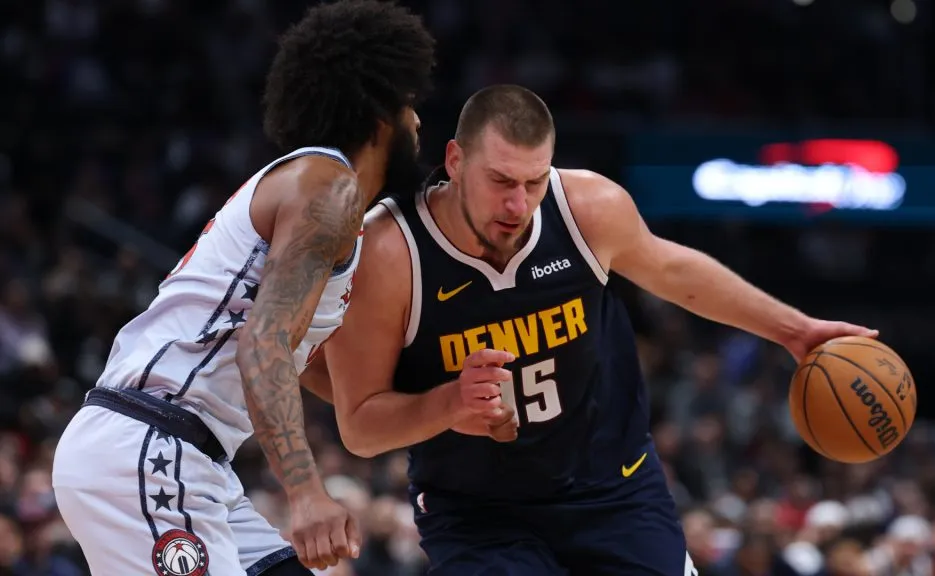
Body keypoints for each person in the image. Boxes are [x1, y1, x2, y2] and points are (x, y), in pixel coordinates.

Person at [324, 84, 878, 575]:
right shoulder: (389, 253)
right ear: (455, 160)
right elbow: (360, 426)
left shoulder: (586, 207)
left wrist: (793, 330)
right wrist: (447, 405)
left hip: (610, 485)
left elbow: (673, 271)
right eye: (500, 181)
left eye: (535, 181)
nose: (518, 205)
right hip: (478, 510)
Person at [50, 2, 435, 575]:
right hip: (151, 446)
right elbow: (264, 344)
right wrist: (305, 492)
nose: (419, 123)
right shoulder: (327, 189)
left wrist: (440, 400)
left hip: (192, 460)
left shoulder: (328, 205)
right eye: (410, 104)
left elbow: (306, 369)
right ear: (380, 112)